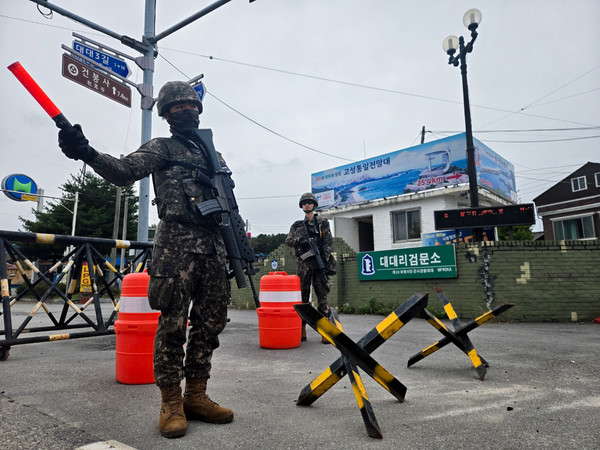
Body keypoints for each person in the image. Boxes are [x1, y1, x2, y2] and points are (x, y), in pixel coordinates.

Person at [57, 81, 233, 439]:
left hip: (214, 247)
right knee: (172, 323)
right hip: (176, 248)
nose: (187, 111)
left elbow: (230, 204)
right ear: (167, 114)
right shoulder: (162, 148)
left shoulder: (216, 155)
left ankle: (196, 395)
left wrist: (235, 249)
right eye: (177, 107)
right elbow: (123, 171)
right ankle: (171, 401)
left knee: (210, 323)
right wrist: (87, 153)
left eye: (192, 106)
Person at [285, 192, 334, 343]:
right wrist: (300, 240)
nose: (307, 205)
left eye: (309, 202)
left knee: (322, 296)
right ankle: (301, 329)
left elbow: (328, 243)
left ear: (314, 205)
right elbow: (288, 240)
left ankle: (325, 331)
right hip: (304, 265)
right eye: (304, 203)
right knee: (303, 297)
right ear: (301, 206)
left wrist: (324, 261)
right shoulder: (297, 225)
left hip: (319, 264)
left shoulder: (322, 223)